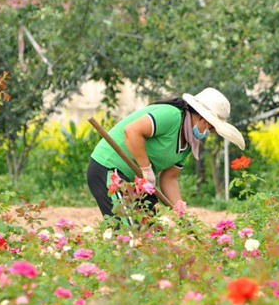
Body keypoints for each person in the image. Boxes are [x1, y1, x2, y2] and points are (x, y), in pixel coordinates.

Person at [87, 87, 245, 219]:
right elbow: (132, 131)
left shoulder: (189, 141)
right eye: (211, 127)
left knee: (151, 231)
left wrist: (180, 211)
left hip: (138, 181)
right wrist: (146, 169)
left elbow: (170, 178)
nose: (210, 133)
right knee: (130, 230)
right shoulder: (171, 116)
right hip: (109, 168)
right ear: (201, 118)